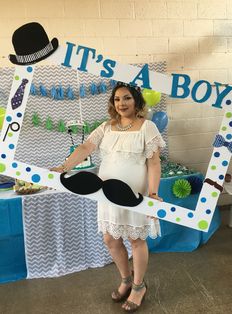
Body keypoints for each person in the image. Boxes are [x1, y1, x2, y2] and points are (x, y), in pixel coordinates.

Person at [52, 82, 165, 312]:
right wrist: (64, 166)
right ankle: (125, 279)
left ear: (136, 101)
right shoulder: (106, 127)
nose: (121, 103)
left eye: (126, 98)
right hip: (107, 195)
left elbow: (154, 163)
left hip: (135, 195)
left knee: (136, 240)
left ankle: (138, 286)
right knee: (110, 239)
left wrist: (153, 193)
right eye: (117, 99)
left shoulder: (148, 127)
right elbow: (85, 148)